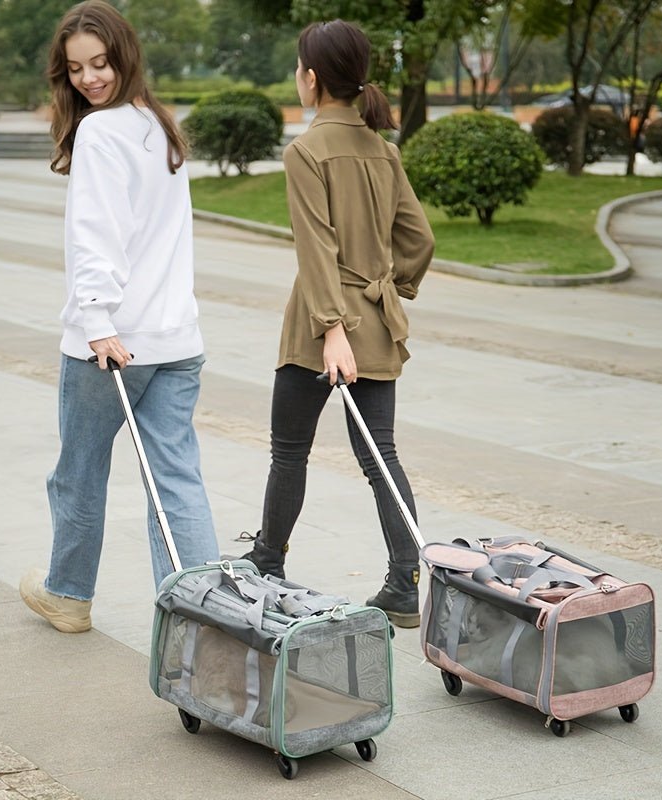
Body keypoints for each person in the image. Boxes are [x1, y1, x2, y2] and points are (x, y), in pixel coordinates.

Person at [20, 0, 219, 633]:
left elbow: (97, 238)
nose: (89, 79)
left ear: (123, 56)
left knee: (79, 471)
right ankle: (202, 617)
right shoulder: (158, 125)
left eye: (100, 63)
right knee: (176, 480)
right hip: (176, 338)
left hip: (112, 344)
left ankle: (68, 596)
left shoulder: (101, 132)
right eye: (77, 68)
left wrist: (98, 320)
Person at [241, 20, 435, 629]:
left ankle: (266, 562)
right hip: (375, 323)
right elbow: (419, 240)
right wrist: (388, 288)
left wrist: (331, 327)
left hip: (319, 330)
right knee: (382, 456)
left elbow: (316, 249)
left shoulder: (305, 150)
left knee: (289, 451)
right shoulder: (385, 150)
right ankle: (405, 581)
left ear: (312, 78)